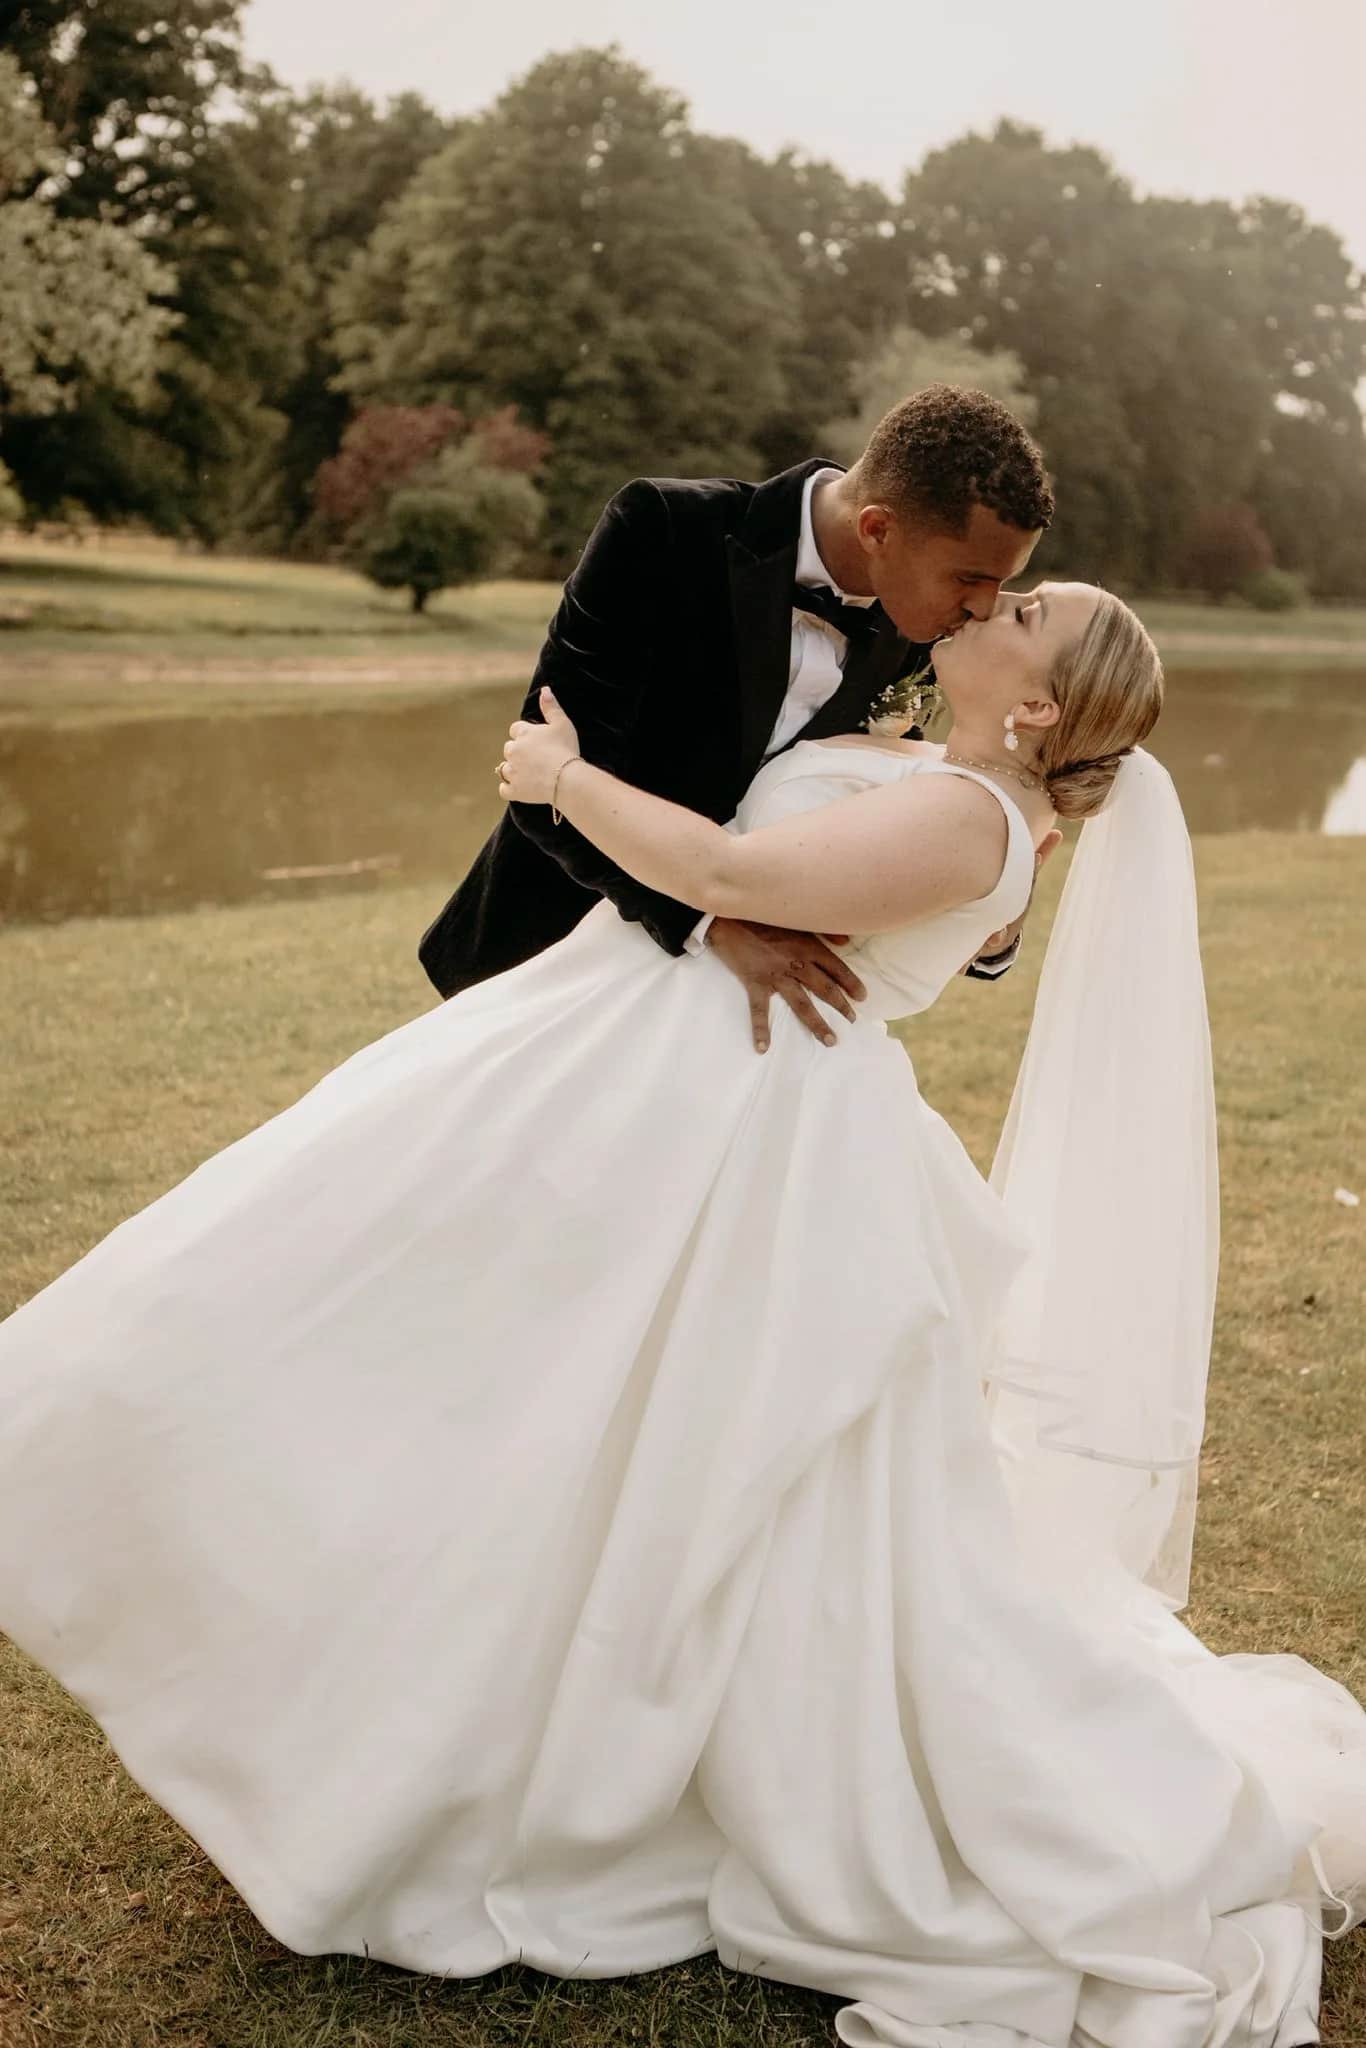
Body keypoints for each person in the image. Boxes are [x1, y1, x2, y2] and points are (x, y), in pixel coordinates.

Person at [0, 577, 1363, 2048]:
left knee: (666, 1455)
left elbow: (729, 864)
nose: (991, 604)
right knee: (455, 1363)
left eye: (1022, 611)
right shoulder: (928, 763)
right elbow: (738, 886)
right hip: (650, 1074)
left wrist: (561, 776)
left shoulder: (973, 817)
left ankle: (518, 1764)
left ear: (1034, 705)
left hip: (754, 1137)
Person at [418, 383, 1055, 1049]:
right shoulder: (661, 529)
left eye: (999, 584)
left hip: (729, 1023)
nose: (984, 608)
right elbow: (541, 780)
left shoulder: (920, 625)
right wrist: (711, 923)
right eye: (969, 579)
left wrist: (991, 920)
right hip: (547, 955)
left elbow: (868, 835)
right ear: (877, 530)